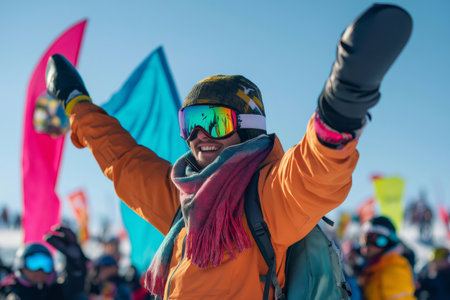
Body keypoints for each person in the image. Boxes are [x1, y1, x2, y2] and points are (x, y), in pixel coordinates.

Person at [45, 3, 412, 299]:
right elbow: (122, 158)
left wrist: (340, 108)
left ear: (248, 127)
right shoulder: (181, 198)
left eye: (214, 121)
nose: (200, 135)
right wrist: (77, 104)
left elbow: (311, 172)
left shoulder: (266, 198)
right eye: (191, 122)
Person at [0, 226, 88, 300]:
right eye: (34, 263)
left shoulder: (54, 290)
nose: (40, 270)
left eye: (46, 265)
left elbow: (73, 289)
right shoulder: (10, 290)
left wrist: (75, 263)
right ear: (21, 265)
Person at [357, 216, 416, 300]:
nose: (367, 244)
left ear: (388, 242)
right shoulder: (374, 267)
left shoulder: (394, 270)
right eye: (364, 238)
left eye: (375, 239)